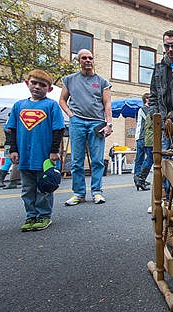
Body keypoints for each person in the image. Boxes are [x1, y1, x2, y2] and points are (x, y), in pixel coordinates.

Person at [6, 69, 65, 231]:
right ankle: (30, 216)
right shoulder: (19, 106)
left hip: (44, 157)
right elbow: (11, 129)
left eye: (42, 85)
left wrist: (54, 150)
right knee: (27, 188)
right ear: (27, 83)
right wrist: (13, 150)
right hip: (25, 157)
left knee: (44, 187)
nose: (37, 87)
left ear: (49, 89)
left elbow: (58, 129)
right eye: (34, 83)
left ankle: (44, 215)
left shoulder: (51, 105)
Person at [59, 49, 113, 206]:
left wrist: (109, 124)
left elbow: (107, 104)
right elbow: (62, 100)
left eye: (90, 58)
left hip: (97, 123)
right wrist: (70, 115)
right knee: (76, 160)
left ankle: (97, 192)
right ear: (79, 60)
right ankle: (78, 193)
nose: (87, 60)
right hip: (77, 122)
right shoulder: (69, 80)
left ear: (93, 60)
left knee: (97, 160)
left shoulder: (102, 82)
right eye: (84, 58)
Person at [133, 93, 151, 190]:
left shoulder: (142, 109)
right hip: (144, 137)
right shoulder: (144, 109)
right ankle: (140, 178)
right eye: (149, 98)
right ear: (145, 99)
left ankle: (138, 178)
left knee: (139, 159)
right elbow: (150, 120)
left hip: (140, 137)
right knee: (149, 158)